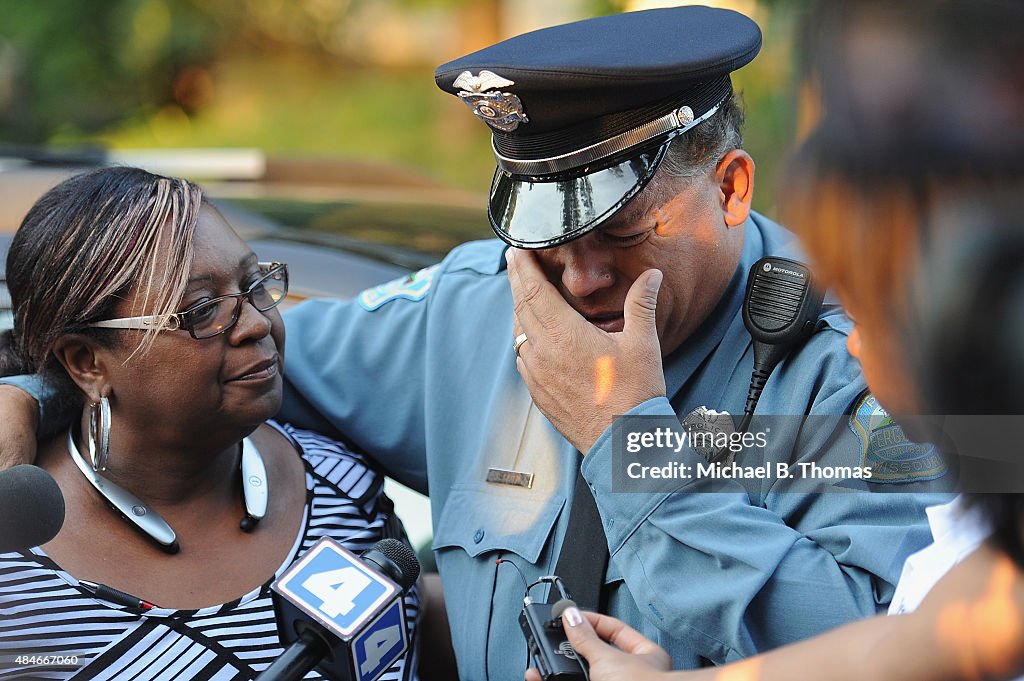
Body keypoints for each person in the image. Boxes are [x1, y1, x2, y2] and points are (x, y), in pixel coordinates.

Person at [0, 7, 948, 679]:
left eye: (619, 234)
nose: (576, 280)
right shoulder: (474, 307)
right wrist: (41, 394)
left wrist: (633, 441)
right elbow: (232, 356)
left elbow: (878, 643)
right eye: (543, 239)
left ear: (732, 188)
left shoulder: (881, 370)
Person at [530, 1, 1024, 679]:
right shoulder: (992, 566)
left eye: (877, 304)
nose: (854, 340)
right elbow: (902, 653)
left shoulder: (876, 411)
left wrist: (626, 444)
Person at [0, 167, 420, 680]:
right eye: (201, 309)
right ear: (87, 362)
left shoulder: (345, 487)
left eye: (254, 283)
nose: (258, 323)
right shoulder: (14, 561)